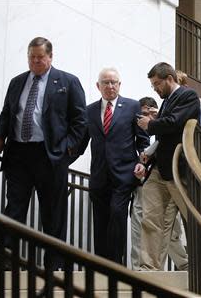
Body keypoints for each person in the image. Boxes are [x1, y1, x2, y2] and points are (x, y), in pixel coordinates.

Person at [0, 37, 87, 270]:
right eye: (31, 57)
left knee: (52, 214)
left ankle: (53, 265)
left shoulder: (68, 81)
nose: (35, 61)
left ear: (50, 57)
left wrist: (67, 149)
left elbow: (80, 121)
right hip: (18, 154)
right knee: (13, 208)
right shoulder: (17, 82)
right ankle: (6, 260)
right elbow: (7, 113)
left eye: (40, 57)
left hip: (50, 156)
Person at [78, 68, 149, 263]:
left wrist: (143, 162)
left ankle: (116, 266)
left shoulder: (132, 106)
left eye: (114, 82)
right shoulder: (89, 110)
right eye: (106, 82)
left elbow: (142, 141)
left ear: (119, 85)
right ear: (98, 86)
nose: (110, 86)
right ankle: (102, 266)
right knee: (100, 221)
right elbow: (81, 142)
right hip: (99, 175)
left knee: (117, 215)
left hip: (124, 175)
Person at [135, 62, 200, 270]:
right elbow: (164, 137)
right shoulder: (167, 101)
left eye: (157, 84)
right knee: (150, 219)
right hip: (159, 169)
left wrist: (150, 124)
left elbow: (175, 123)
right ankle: (149, 268)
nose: (154, 89)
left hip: (178, 169)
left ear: (169, 79)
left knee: (193, 220)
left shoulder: (188, 96)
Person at [130, 96, 188, 271]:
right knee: (141, 228)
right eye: (143, 114)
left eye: (149, 113)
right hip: (143, 183)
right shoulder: (143, 127)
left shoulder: (163, 128)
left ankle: (184, 264)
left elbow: (161, 148)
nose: (146, 116)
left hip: (168, 181)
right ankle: (139, 270)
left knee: (171, 232)